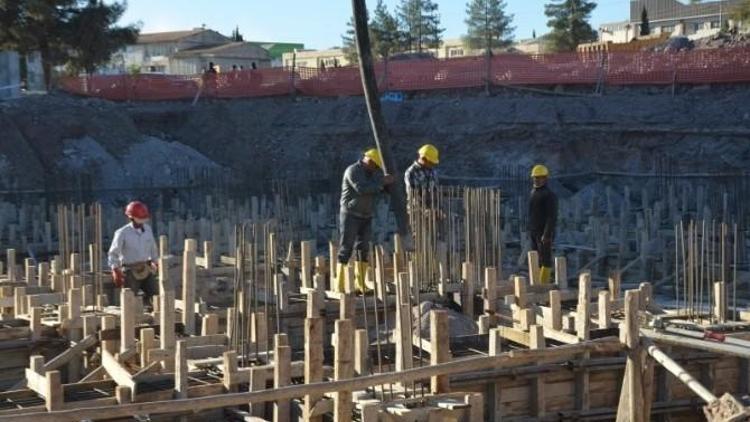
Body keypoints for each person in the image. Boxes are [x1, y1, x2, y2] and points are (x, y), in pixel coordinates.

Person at [336, 148, 395, 292]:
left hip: (366, 215)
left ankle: (360, 283)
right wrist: (382, 182)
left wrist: (387, 185)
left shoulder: (372, 174)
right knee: (346, 247)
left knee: (363, 249)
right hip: (350, 214)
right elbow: (361, 189)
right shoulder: (353, 171)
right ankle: (340, 285)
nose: (376, 168)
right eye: (375, 165)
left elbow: (378, 189)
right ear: (369, 161)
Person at [108, 201, 159, 307]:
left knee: (156, 296)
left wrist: (156, 262)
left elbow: (153, 248)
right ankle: (130, 320)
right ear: (131, 217)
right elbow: (113, 254)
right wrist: (115, 270)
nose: (142, 221)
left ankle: (153, 314)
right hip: (130, 271)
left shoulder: (148, 230)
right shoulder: (122, 233)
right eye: (140, 218)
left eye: (144, 218)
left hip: (146, 268)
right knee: (129, 300)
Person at [528, 165, 558, 284]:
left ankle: (543, 284)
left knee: (545, 259)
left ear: (545, 178)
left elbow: (552, 217)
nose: (537, 180)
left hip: (544, 232)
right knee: (535, 257)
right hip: (534, 231)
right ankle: (536, 282)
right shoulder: (533, 192)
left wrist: (547, 234)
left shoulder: (549, 195)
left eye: (540, 177)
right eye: (535, 177)